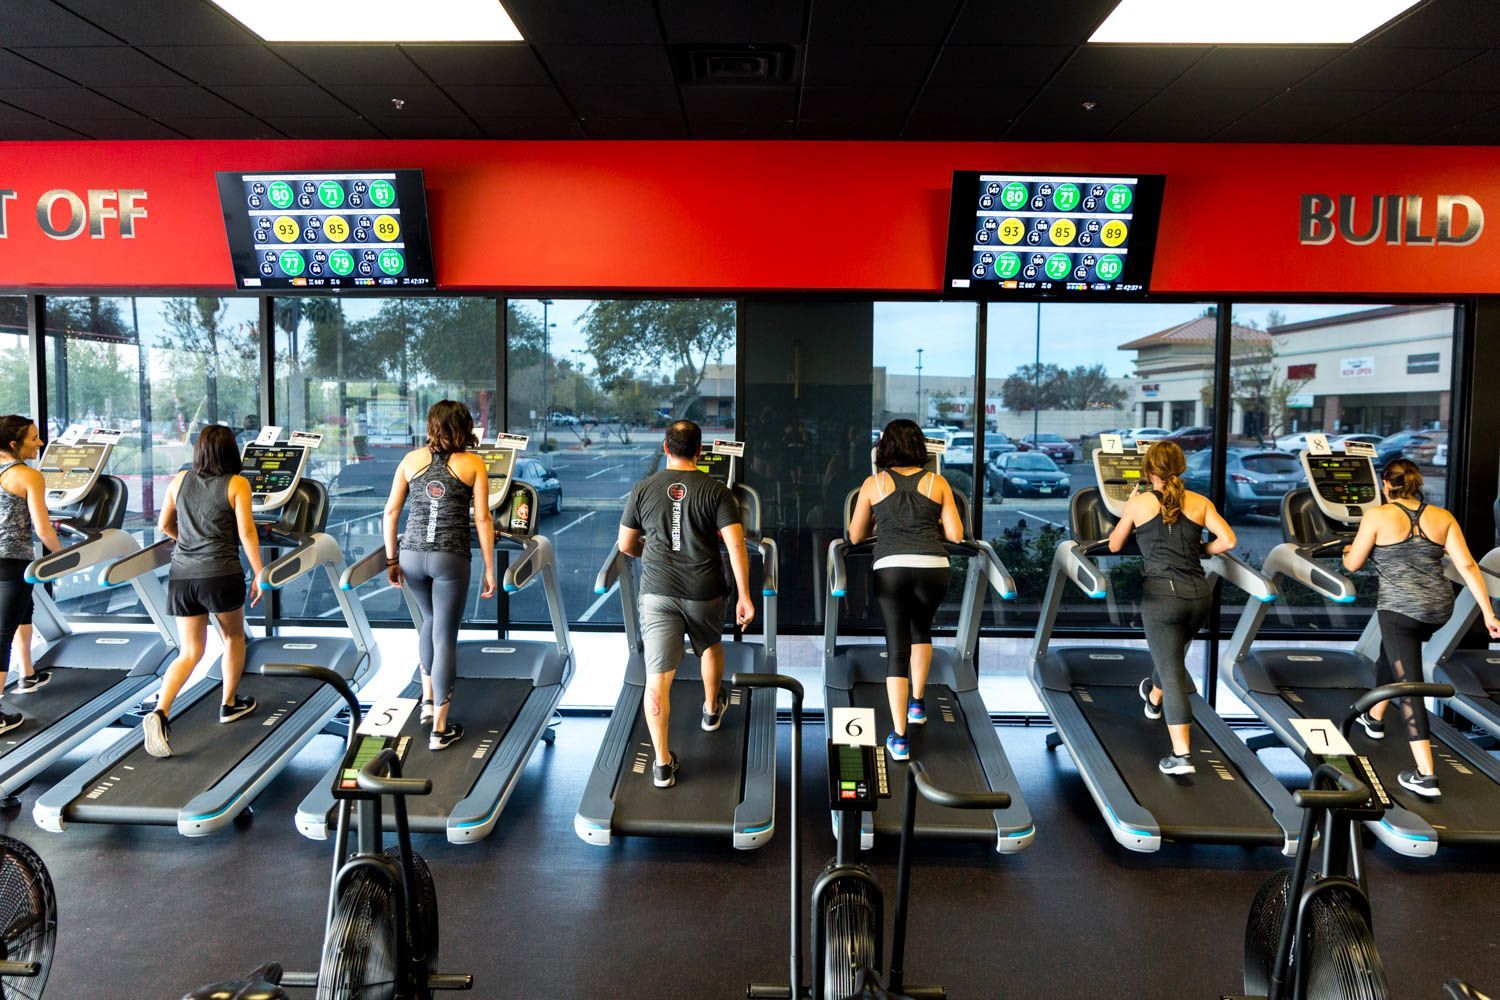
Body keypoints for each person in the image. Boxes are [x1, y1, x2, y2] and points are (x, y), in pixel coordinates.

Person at [1342, 458, 1500, 798]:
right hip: (1439, 609)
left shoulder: (1377, 516)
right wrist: (1488, 613)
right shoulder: (1442, 517)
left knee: (1409, 685)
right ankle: (1375, 717)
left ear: (1386, 485)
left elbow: (1353, 563)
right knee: (1395, 651)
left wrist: (1346, 553)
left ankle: (1425, 775)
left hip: (1400, 610)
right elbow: (1468, 565)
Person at [617, 419, 755, 789]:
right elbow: (736, 546)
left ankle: (662, 763)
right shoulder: (716, 491)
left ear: (665, 448)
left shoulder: (643, 488)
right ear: (700, 451)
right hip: (704, 591)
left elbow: (626, 544)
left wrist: (650, 548)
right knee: (709, 647)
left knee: (657, 679)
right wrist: (744, 595)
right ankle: (711, 710)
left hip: (658, 592)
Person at [1107, 440, 1236, 777]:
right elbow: (1229, 541)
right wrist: (1202, 549)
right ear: (1180, 468)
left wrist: (1131, 508)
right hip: (1198, 599)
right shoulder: (1200, 502)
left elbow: (1115, 544)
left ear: (1149, 472)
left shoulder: (1140, 504)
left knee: (1174, 673)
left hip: (1162, 600)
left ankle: (1182, 756)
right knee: (1170, 658)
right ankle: (1153, 699)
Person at [143, 424, 265, 758]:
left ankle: (161, 711)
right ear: (231, 452)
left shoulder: (181, 480)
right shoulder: (237, 483)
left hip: (182, 577)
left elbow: (164, 525)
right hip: (220, 574)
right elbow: (247, 533)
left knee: (190, 652)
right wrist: (260, 573)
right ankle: (229, 703)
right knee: (233, 639)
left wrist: (186, 542)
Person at [847, 419, 964, 763]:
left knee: (897, 649)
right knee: (921, 630)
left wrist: (880, 521)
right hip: (933, 569)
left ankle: (899, 738)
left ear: (885, 448)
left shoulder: (874, 483)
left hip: (892, 569)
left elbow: (855, 536)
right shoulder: (937, 482)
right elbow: (956, 535)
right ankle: (917, 704)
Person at [383, 400, 496, 752]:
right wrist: (491, 567)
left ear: (431, 425)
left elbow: (390, 512)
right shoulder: (473, 463)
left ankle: (428, 704)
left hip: (412, 556)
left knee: (428, 623)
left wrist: (391, 560)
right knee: (445, 635)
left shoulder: (411, 461)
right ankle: (440, 729)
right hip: (450, 559)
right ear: (465, 427)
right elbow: (482, 520)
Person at [0, 416, 65, 735]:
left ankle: (27, 672)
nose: (40, 444)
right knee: (2, 633)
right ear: (14, 444)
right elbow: (42, 528)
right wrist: (62, 556)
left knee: (25, 612)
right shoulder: (27, 475)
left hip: (11, 561)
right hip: (10, 561)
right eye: (34, 439)